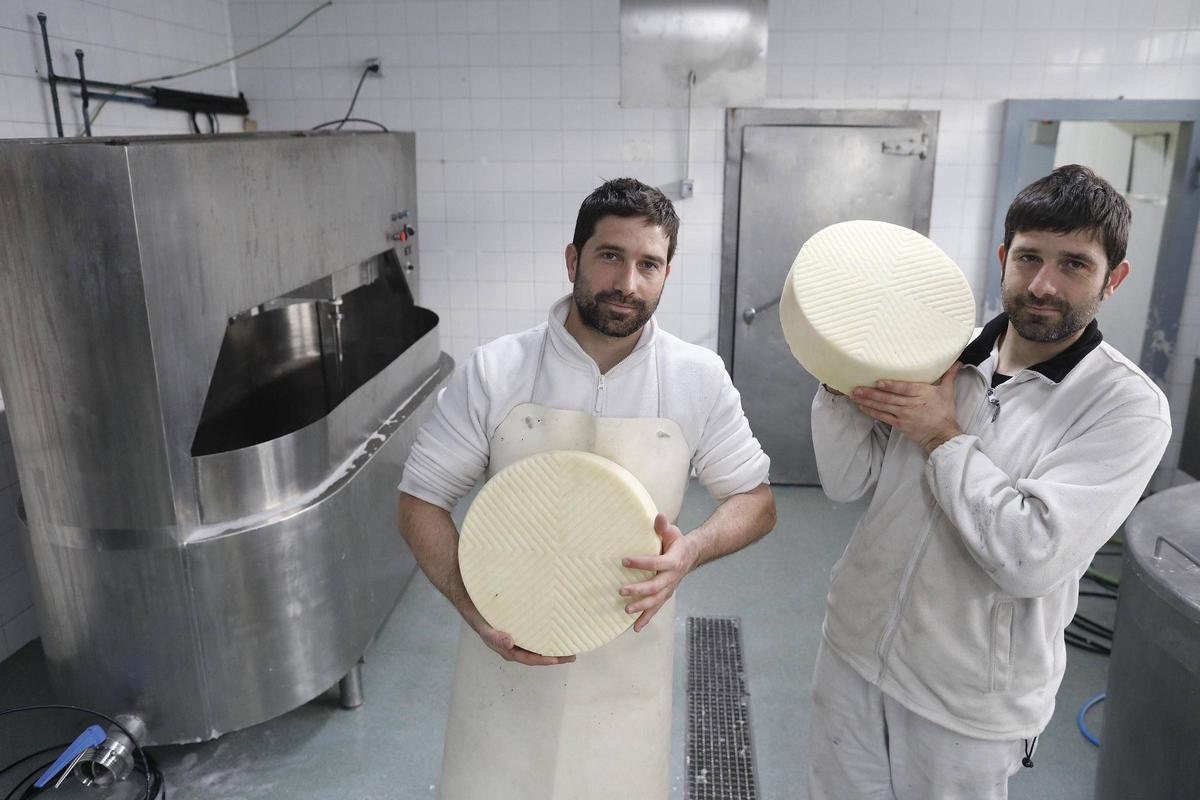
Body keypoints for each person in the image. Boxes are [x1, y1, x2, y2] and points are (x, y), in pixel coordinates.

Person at [397, 177, 776, 799]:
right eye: (610, 256)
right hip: (505, 661)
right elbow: (420, 504)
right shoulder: (498, 371)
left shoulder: (695, 379)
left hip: (628, 665)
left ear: (665, 274)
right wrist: (472, 606)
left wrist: (692, 551)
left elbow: (755, 502)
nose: (627, 283)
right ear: (573, 259)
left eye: (648, 264)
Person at [806, 164, 1171, 799]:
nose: (1043, 284)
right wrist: (839, 385)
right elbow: (846, 482)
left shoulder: (1124, 407)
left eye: (1074, 265)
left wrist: (943, 438)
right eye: (1029, 257)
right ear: (1004, 257)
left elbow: (1030, 555)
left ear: (1114, 279)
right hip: (854, 653)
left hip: (966, 706)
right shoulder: (947, 355)